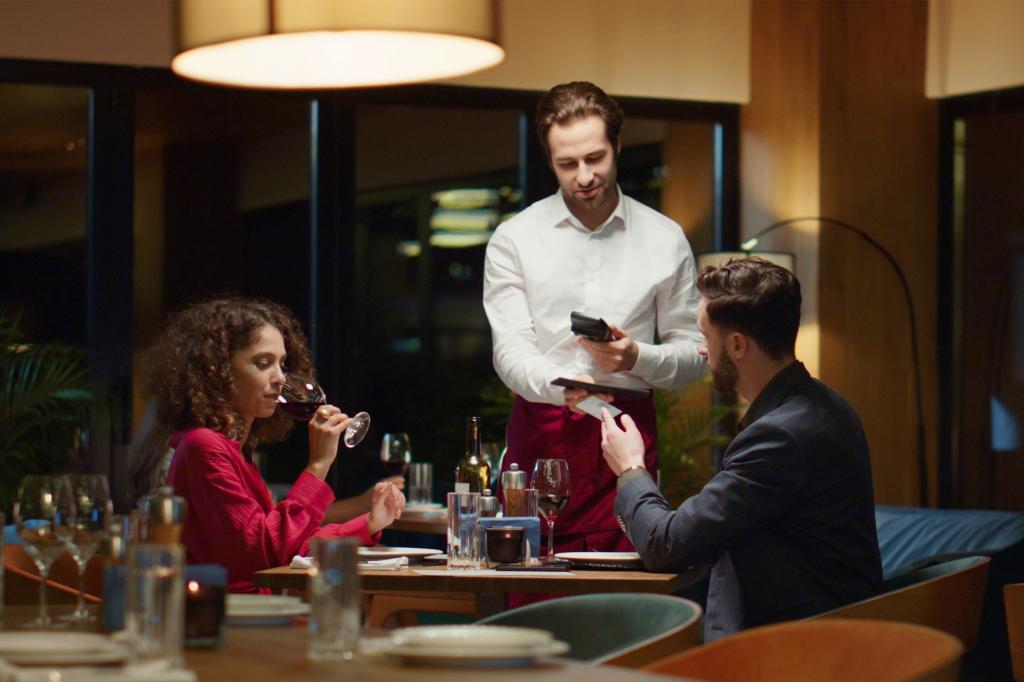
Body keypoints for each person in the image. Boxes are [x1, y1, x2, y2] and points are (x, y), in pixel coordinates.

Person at [601, 257, 883, 641]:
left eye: (704, 336)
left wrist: (630, 468)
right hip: (814, 635)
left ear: (736, 344)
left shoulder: (781, 435)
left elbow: (664, 545)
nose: (701, 350)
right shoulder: (823, 405)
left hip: (797, 651)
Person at [483, 81, 704, 555]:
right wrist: (563, 387)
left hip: (626, 435)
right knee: (532, 597)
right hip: (541, 429)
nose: (584, 176)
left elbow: (695, 356)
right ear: (550, 161)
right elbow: (510, 350)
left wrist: (634, 357)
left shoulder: (665, 238)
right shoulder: (514, 238)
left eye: (595, 158)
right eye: (567, 164)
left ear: (617, 145)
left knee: (621, 606)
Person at [142, 296, 404, 593]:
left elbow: (287, 544)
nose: (280, 378)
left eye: (282, 364)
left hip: (258, 609)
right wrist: (318, 465)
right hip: (224, 617)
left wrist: (369, 522)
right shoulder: (203, 446)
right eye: (263, 363)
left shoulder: (236, 450)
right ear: (218, 371)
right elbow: (262, 554)